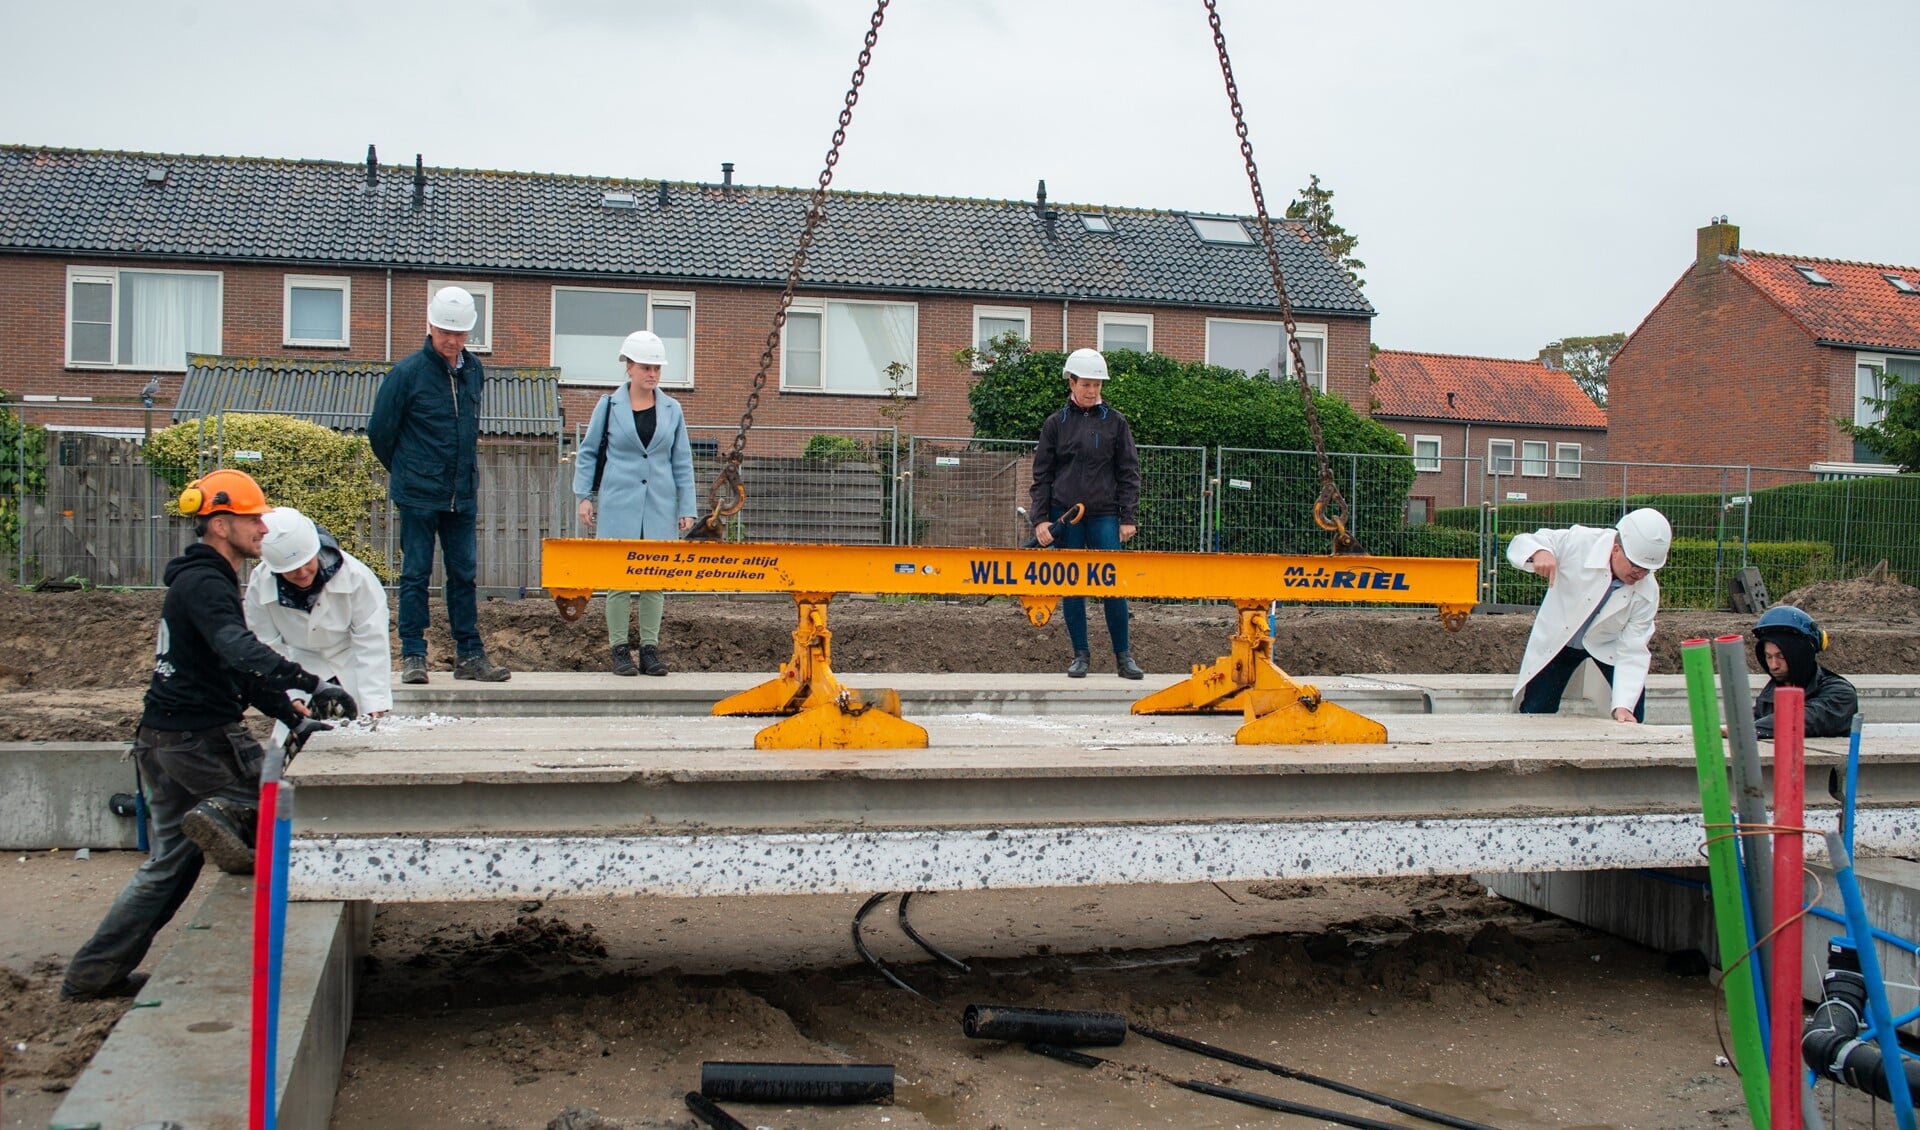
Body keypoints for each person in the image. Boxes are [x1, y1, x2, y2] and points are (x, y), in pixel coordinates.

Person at [61, 470, 354, 1001]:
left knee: (168, 866)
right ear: (220, 524)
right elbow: (240, 650)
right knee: (279, 810)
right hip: (200, 739)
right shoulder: (205, 582)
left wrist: (292, 714)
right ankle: (222, 811)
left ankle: (92, 975)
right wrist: (311, 683)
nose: (264, 528)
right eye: (252, 518)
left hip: (163, 738)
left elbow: (232, 668)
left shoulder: (206, 581)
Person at [368, 285, 510, 685]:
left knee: (463, 573)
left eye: (460, 334)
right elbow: (380, 432)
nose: (452, 341)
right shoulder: (407, 373)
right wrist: (408, 470)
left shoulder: (475, 371)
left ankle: (469, 654)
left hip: (461, 493)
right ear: (429, 325)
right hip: (417, 494)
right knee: (415, 573)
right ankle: (413, 654)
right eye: (445, 332)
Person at [572, 331, 698, 675]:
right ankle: (619, 649)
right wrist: (584, 496)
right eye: (645, 367)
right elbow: (588, 452)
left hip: (658, 505)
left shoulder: (673, 409)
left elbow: (682, 461)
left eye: (656, 368)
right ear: (629, 367)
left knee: (653, 579)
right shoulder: (608, 406)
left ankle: (650, 649)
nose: (652, 374)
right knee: (618, 580)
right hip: (618, 504)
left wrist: (687, 508)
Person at [1029, 347, 1143, 679]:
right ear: (1072, 383)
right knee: (1072, 585)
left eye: (1097, 385)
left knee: (1113, 585)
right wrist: (1040, 519)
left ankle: (1124, 657)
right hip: (1065, 515)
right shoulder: (1056, 424)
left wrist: (1128, 517)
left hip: (1106, 515)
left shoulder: (1116, 423)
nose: (1092, 391)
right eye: (1086, 385)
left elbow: (1128, 472)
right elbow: (1042, 476)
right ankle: (1081, 656)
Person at [1509, 508, 1671, 723]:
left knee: (1632, 714)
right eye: (1636, 566)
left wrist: (1622, 706)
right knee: (1537, 709)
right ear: (1616, 549)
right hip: (1560, 642)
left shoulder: (1647, 592)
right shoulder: (1580, 543)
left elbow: (1633, 648)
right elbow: (1524, 541)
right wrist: (1540, 552)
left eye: (1647, 570)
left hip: (1608, 647)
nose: (1640, 574)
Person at [244, 507, 393, 742]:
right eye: (292, 570)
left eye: (307, 564)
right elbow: (266, 644)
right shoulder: (259, 584)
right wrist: (287, 695)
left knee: (360, 741)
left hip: (348, 660)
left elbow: (371, 640)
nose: (302, 573)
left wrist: (374, 702)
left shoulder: (356, 577)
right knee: (290, 742)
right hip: (296, 664)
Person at [1752, 605, 1858, 739]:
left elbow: (1802, 719)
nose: (1774, 666)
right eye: (1768, 657)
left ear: (1801, 655)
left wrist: (1743, 729)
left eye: (1782, 657)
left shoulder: (1840, 693)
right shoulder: (1770, 694)